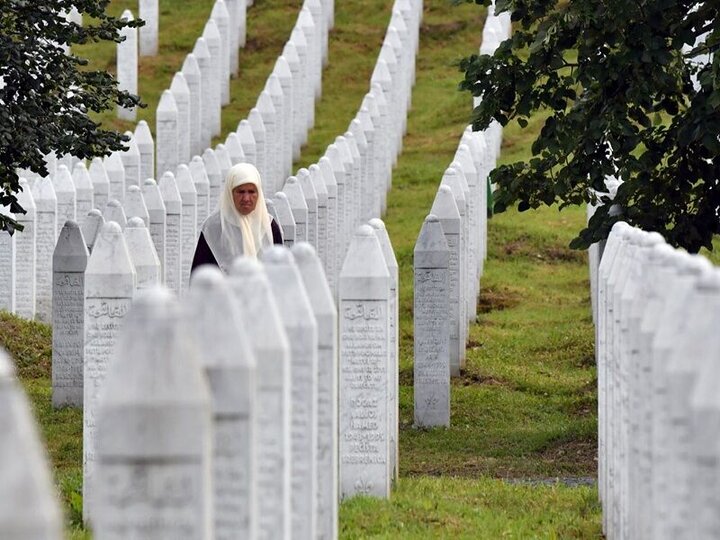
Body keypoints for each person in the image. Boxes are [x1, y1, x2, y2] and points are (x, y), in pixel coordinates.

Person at [191, 162, 282, 273]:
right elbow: (200, 277)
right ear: (230, 193)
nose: (246, 198)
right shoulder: (214, 228)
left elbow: (281, 275)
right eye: (240, 192)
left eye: (252, 191)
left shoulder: (269, 226)